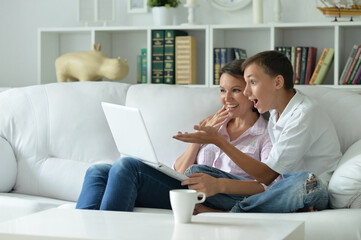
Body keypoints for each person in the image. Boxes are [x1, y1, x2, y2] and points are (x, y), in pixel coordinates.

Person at [75, 59, 273, 212]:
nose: (226, 98)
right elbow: (181, 170)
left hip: (220, 196)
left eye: (235, 90)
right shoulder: (213, 123)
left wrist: (219, 185)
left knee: (127, 167)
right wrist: (199, 138)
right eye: (222, 90)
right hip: (186, 189)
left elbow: (270, 187)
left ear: (249, 91)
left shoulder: (265, 134)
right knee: (98, 172)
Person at [175, 50, 342, 213]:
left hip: (312, 187)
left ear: (278, 83)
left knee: (303, 181)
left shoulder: (303, 114)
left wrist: (219, 141)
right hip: (279, 188)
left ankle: (229, 212)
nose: (247, 92)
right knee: (196, 174)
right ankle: (275, 205)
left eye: (252, 82)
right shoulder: (276, 112)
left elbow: (267, 175)